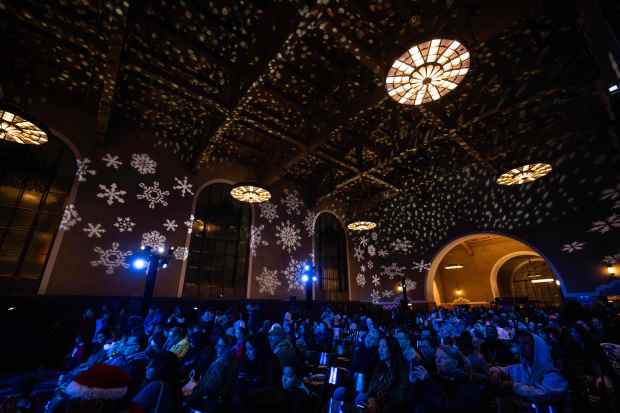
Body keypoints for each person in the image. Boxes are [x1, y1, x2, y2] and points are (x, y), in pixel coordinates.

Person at [491, 331, 568, 411]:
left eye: (525, 343)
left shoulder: (551, 372)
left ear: (537, 348)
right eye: (520, 343)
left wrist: (513, 385)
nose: (521, 347)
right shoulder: (522, 367)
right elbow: (503, 369)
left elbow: (543, 393)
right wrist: (496, 371)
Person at [187, 335, 238, 412]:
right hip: (217, 400)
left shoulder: (221, 364)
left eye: (220, 345)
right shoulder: (231, 359)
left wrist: (190, 396)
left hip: (209, 402)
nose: (216, 347)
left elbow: (208, 388)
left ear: (228, 348)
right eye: (217, 344)